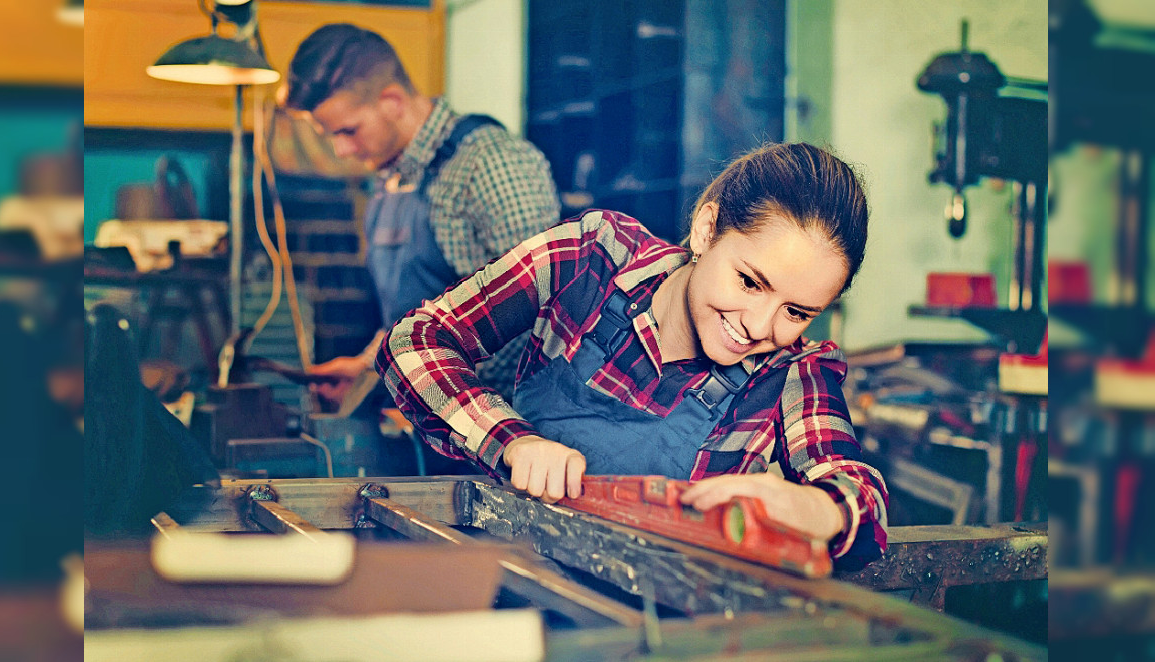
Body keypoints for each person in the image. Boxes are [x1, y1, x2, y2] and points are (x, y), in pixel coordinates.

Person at [376, 142, 889, 568]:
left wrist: (818, 507)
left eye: (796, 312)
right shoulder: (591, 259)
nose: (759, 326)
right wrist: (511, 441)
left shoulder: (790, 371)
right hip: (505, 586)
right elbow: (416, 340)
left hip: (654, 630)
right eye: (749, 281)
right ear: (707, 230)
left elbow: (859, 492)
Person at [283, 24, 560, 404]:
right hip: (430, 415)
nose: (342, 151)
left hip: (499, 430)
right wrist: (368, 365)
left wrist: (438, 402)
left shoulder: (491, 163)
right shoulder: (391, 178)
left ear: (392, 101)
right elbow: (417, 318)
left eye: (348, 131)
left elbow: (534, 319)